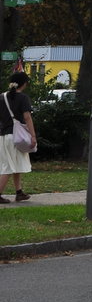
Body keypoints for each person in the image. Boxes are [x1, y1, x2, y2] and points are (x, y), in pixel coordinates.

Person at [0, 71, 36, 204]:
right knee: (9, 166)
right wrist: (33, 135)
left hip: (4, 135)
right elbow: (27, 117)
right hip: (17, 136)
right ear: (24, 83)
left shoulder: (2, 97)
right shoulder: (23, 98)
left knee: (14, 163)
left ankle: (19, 192)